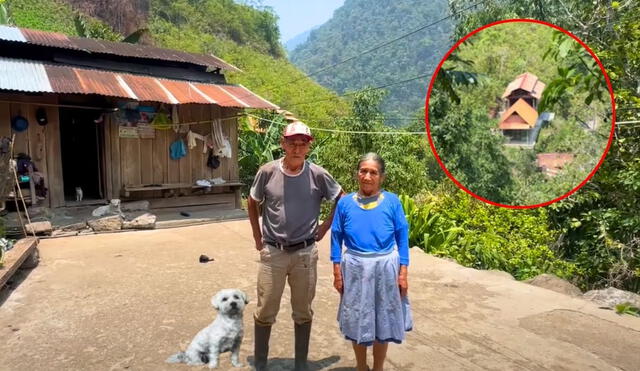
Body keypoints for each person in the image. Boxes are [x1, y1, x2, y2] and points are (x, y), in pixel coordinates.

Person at [248, 121, 342, 371]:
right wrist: (258, 237)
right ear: (283, 144)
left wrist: (324, 227)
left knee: (302, 310)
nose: (297, 148)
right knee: (266, 308)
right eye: (292, 143)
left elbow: (340, 199)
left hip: (304, 253)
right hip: (273, 252)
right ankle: (260, 363)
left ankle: (301, 364)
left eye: (302, 144)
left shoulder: (317, 174)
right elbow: (252, 201)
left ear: (308, 147)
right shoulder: (267, 172)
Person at [330, 153, 412, 371]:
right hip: (355, 268)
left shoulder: (392, 202)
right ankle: (360, 366)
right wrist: (337, 272)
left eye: (373, 172)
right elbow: (336, 238)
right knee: (357, 319)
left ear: (381, 177)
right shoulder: (345, 203)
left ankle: (378, 368)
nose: (367, 176)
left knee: (382, 320)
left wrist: (403, 273)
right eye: (363, 171)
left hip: (386, 268)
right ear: (357, 173)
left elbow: (403, 238)